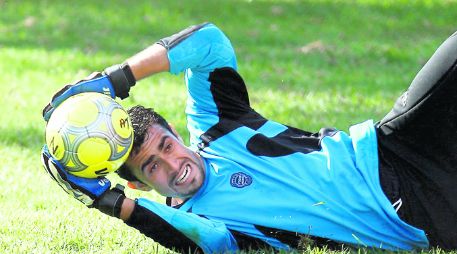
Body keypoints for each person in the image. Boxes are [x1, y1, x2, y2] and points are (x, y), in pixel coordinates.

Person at [40, 22, 457, 253]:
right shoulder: (203, 222)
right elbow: (211, 245)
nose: (174, 166)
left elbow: (210, 43)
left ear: (176, 135)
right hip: (420, 215)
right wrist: (105, 200)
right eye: (153, 167)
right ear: (137, 184)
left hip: (396, 144)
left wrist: (117, 78)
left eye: (166, 146)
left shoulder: (217, 125)